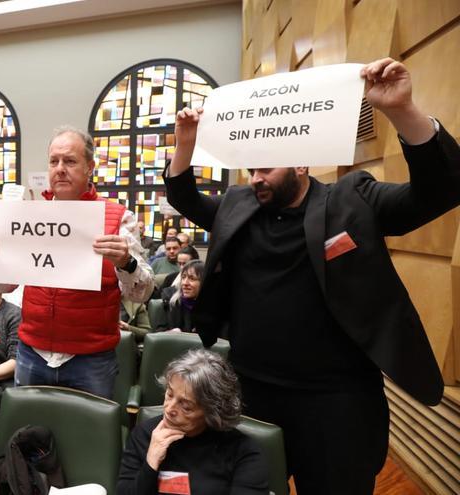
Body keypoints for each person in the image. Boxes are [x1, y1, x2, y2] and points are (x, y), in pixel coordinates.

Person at [165, 58, 460, 493]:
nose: (256, 179)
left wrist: (402, 110)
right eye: (251, 169)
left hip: (336, 401)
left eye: (267, 168)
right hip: (251, 392)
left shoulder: (352, 200)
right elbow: (185, 195)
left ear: (302, 163)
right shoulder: (239, 205)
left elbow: (439, 190)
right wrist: (185, 145)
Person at [0, 126, 154, 399]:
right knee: (29, 436)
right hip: (31, 353)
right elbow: (5, 286)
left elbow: (140, 293)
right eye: (53, 161)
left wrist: (126, 262)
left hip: (91, 359)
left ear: (90, 167)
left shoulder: (119, 217)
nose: (60, 168)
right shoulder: (27, 218)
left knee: (89, 437)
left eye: (70, 161)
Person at [118, 349, 268, 494]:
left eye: (186, 406)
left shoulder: (242, 452)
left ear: (213, 412)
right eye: (169, 394)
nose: (169, 409)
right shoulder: (145, 435)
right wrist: (150, 463)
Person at [159, 260, 203, 333]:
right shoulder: (171, 303)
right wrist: (170, 333)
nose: (185, 283)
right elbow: (157, 334)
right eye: (183, 277)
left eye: (192, 278)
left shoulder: (214, 308)